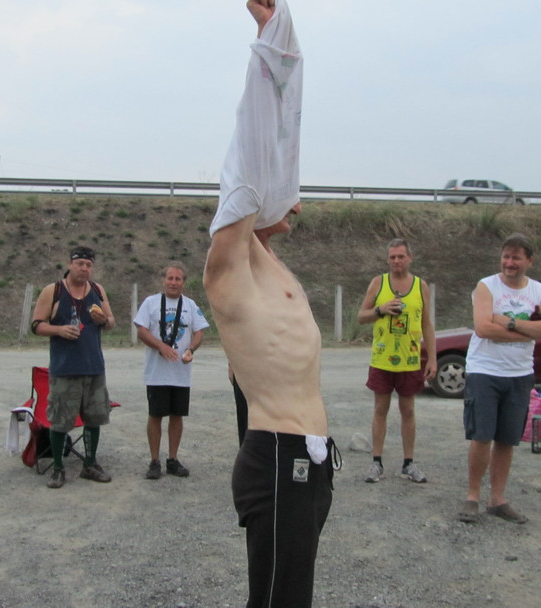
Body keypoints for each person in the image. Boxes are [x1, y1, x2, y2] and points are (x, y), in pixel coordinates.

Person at [205, 1, 335, 606]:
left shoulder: (267, 269)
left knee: (291, 596)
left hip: (309, 455)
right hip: (280, 456)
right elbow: (250, 169)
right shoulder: (225, 276)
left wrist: (274, 216)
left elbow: (272, 162)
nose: (291, 207)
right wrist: (269, 39)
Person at [459, 234, 541, 524]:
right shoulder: (486, 286)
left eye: (516, 257)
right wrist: (529, 331)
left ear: (529, 261)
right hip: (485, 371)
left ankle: (498, 499)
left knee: (507, 439)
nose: (509, 262)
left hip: (519, 373)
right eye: (506, 256)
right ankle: (472, 496)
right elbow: (483, 328)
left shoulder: (539, 291)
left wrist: (509, 321)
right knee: (482, 436)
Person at [31, 246, 116, 488]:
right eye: (80, 264)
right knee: (60, 420)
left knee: (94, 418)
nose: (84, 269)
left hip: (94, 367)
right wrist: (58, 330)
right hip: (65, 369)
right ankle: (58, 468)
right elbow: (36, 325)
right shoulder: (54, 290)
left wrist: (103, 320)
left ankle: (90, 464)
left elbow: (111, 322)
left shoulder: (97, 290)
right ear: (70, 264)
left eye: (88, 265)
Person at [357, 238, 437, 483]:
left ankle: (408, 463)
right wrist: (380, 310)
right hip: (382, 359)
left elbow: (427, 323)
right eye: (392, 257)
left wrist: (432, 358)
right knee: (380, 409)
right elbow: (361, 316)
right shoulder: (378, 283)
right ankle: (376, 462)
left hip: (409, 360)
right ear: (387, 259)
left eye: (401, 256)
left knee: (408, 410)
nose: (396, 261)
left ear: (409, 258)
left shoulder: (420, 286)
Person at [133, 262, 208, 479]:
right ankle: (154, 461)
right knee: (155, 415)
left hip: (180, 374)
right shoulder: (151, 303)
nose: (173, 282)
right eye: (170, 278)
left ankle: (172, 460)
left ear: (184, 282)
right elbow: (141, 331)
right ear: (163, 280)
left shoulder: (190, 305)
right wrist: (161, 346)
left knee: (177, 416)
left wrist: (191, 349)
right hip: (157, 373)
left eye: (178, 279)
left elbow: (199, 332)